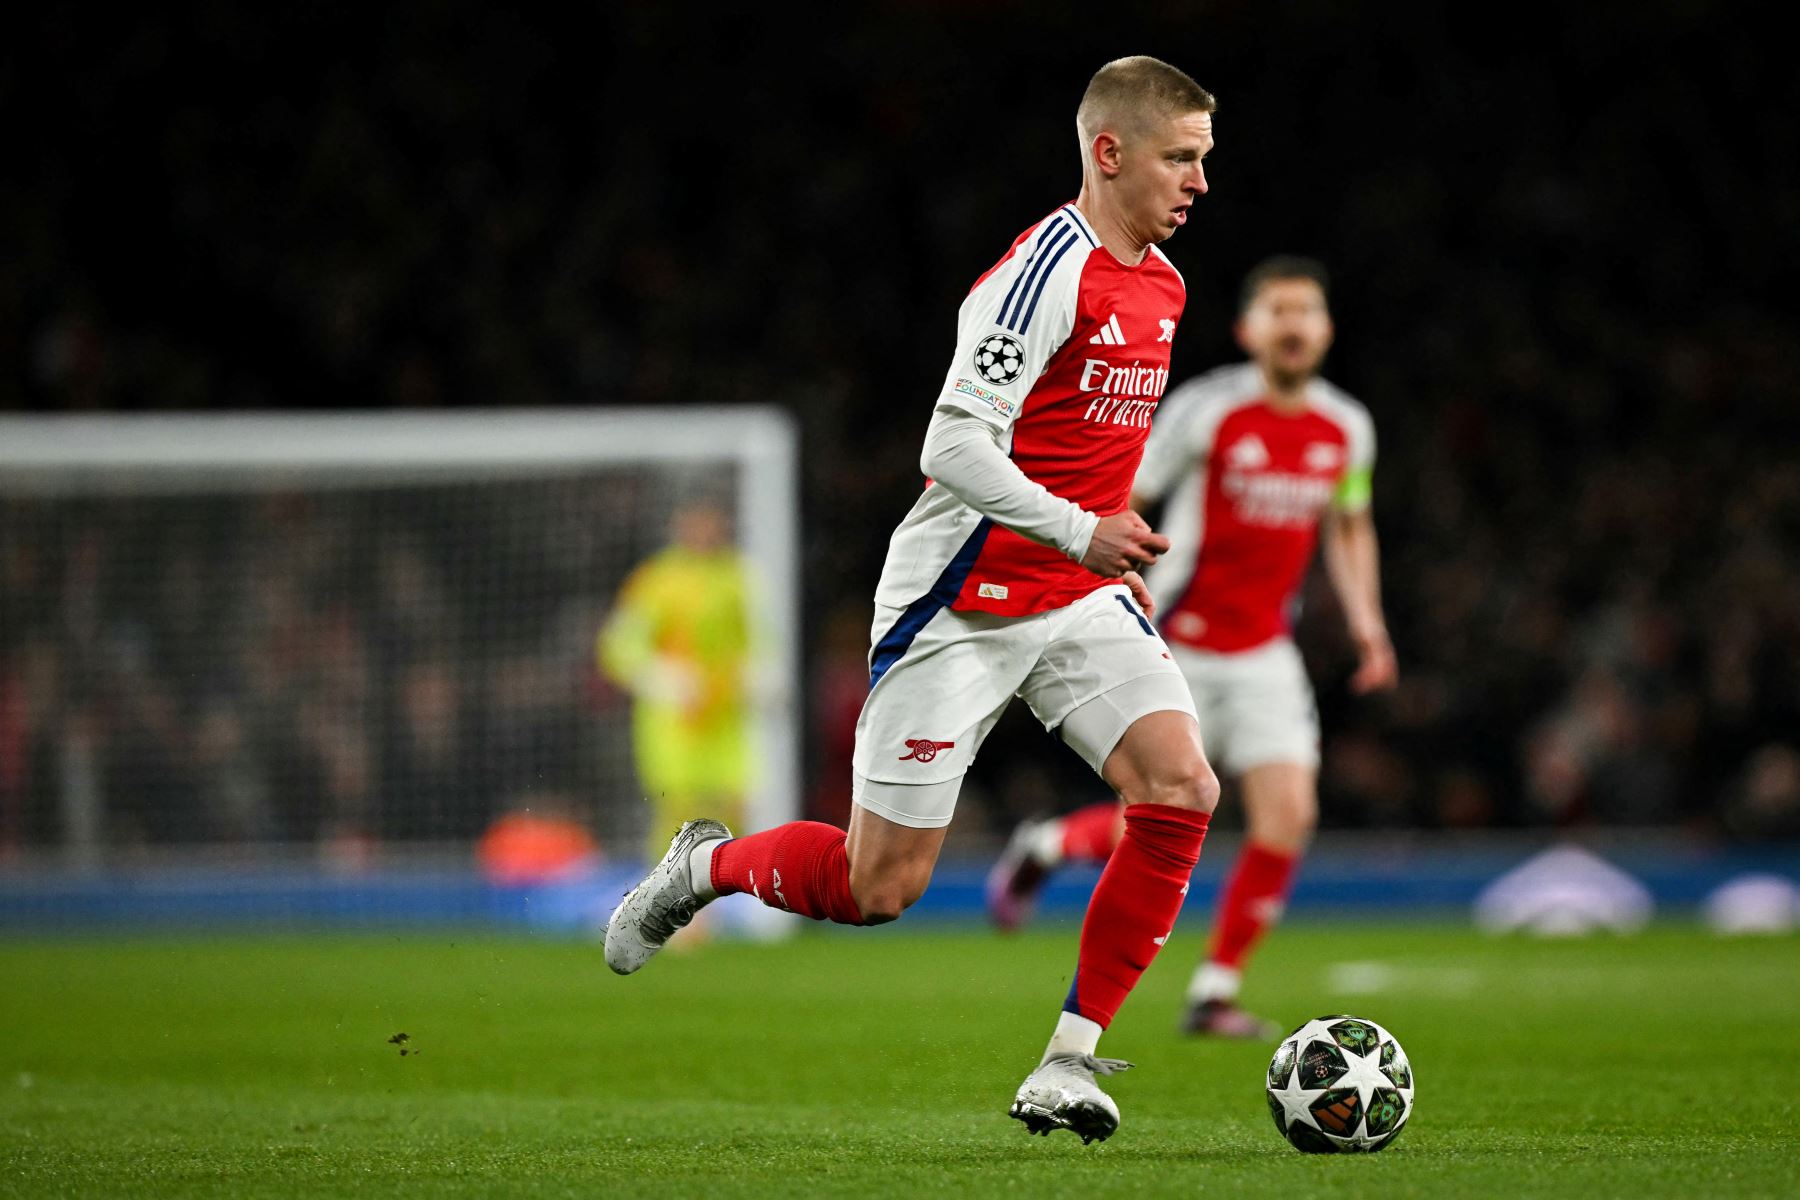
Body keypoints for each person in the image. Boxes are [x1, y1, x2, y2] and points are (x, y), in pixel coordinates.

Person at [605, 55, 1219, 1145]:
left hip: (1076, 598)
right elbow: (951, 443)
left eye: (1204, 159)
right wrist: (1083, 527)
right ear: (1109, 151)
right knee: (876, 886)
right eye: (1182, 158)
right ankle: (704, 866)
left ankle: (1069, 1062)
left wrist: (1102, 541)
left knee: (1179, 786)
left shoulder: (1165, 286)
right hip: (962, 601)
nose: (1199, 182)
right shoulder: (1040, 276)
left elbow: (1086, 447)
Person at [986, 255, 1397, 1039]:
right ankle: (1044, 843)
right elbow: (1125, 494)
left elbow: (1350, 527)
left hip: (1266, 650)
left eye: (1305, 311)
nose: (1292, 324)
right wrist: (1100, 583)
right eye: (1276, 310)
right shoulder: (1205, 412)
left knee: (1288, 816)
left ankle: (1214, 990)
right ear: (1248, 330)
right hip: (1177, 636)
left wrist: (1368, 625)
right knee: (1159, 811)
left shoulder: (1347, 429)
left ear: (1325, 331)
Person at [597, 498, 756, 865]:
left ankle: (732, 892)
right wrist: (662, 679)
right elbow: (617, 648)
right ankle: (673, 902)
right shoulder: (656, 580)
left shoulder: (739, 577)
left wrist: (756, 674)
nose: (704, 531)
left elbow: (761, 642)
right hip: (674, 720)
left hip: (730, 717)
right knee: (678, 812)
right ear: (679, 525)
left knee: (736, 805)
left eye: (711, 521)